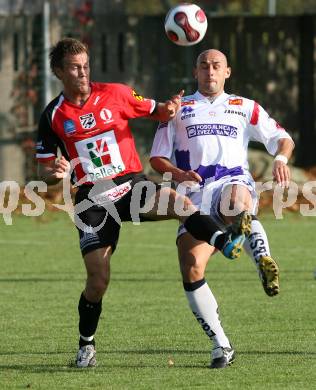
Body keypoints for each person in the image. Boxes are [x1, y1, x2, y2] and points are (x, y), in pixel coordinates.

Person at [35, 39, 251, 368]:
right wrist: (56, 172)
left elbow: (156, 110)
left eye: (86, 64)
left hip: (131, 185)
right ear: (59, 72)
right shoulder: (53, 115)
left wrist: (171, 108)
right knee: (98, 280)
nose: (83, 72)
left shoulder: (116, 93)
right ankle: (86, 344)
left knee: (177, 202)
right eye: (75, 67)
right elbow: (44, 171)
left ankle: (223, 239)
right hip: (92, 200)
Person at [150, 49, 294, 368]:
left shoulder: (244, 107)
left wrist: (281, 160)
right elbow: (157, 157)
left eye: (216, 66)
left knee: (236, 201)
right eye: (204, 66)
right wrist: (176, 173)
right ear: (195, 71)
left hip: (231, 182)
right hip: (193, 198)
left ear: (227, 72)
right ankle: (221, 345)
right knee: (191, 267)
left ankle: (261, 259)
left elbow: (282, 139)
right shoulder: (177, 110)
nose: (210, 72)